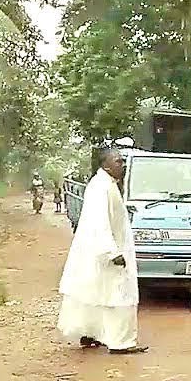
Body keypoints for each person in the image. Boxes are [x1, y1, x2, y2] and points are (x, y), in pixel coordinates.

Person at [57, 149, 148, 355]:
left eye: (123, 161)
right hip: (106, 252)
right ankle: (121, 342)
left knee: (97, 293)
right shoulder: (101, 187)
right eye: (118, 161)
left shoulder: (106, 185)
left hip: (99, 252)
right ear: (105, 165)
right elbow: (99, 223)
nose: (123, 165)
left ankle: (91, 334)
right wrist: (112, 252)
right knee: (120, 296)